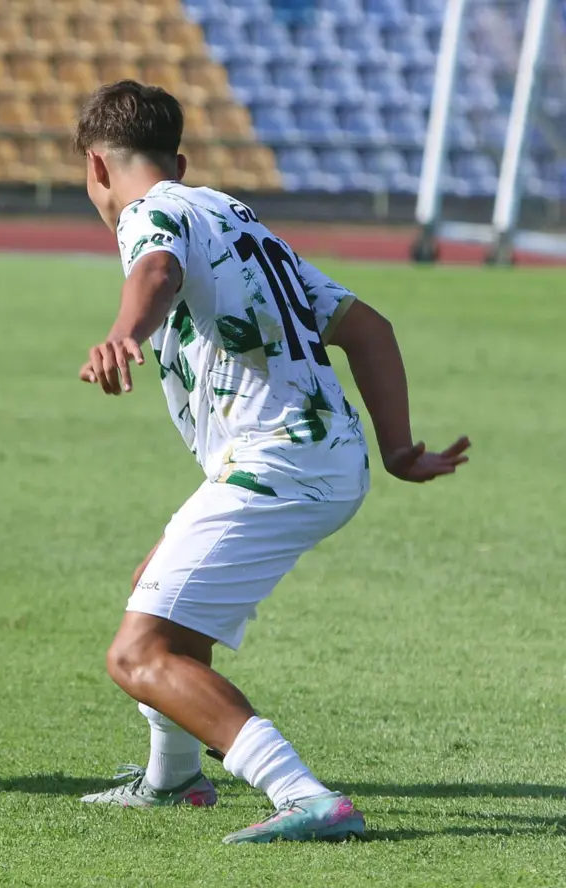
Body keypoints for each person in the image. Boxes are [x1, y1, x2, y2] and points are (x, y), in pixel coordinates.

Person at [70, 81, 470, 843]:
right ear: (179, 160)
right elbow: (371, 329)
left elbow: (155, 273)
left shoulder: (147, 213)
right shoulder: (236, 218)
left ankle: (305, 795)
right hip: (320, 456)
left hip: (279, 462)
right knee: (160, 598)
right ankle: (175, 780)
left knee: (137, 652)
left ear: (97, 168)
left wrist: (125, 331)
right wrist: (397, 450)